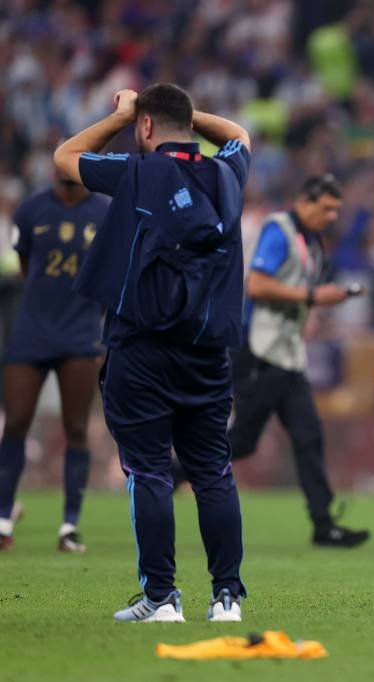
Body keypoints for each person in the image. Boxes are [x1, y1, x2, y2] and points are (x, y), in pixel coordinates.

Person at [54, 83, 251, 622]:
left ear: (145, 128)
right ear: (187, 124)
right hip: (208, 351)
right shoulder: (228, 172)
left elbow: (64, 157)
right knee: (212, 471)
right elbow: (237, 135)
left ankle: (162, 599)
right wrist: (181, 116)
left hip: (141, 348)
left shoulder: (136, 173)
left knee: (149, 471)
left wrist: (121, 114)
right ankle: (227, 597)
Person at [228, 174, 369, 548]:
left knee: (309, 437)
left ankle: (324, 525)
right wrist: (312, 296)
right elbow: (255, 285)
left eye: (336, 210)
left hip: (287, 355)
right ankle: (170, 474)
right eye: (326, 208)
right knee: (242, 442)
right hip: (260, 351)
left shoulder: (311, 239)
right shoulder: (279, 230)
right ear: (304, 202)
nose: (332, 216)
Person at [0, 172, 108, 553]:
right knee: (14, 423)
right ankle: (2, 517)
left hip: (81, 332)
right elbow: (25, 265)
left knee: (76, 428)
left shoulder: (105, 210)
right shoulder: (31, 209)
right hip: (32, 329)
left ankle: (69, 525)